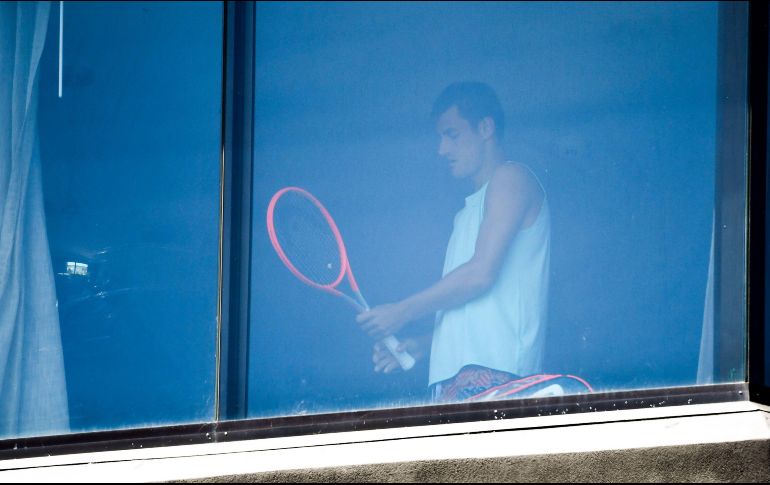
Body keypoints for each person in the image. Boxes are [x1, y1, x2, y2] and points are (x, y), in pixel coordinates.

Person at [356, 82, 550, 403]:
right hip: (453, 384)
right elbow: (478, 311)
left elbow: (481, 274)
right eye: (440, 137)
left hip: (496, 381)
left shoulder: (511, 177)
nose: (442, 149)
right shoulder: (466, 214)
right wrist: (422, 344)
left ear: (485, 128)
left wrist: (402, 311)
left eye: (452, 135)